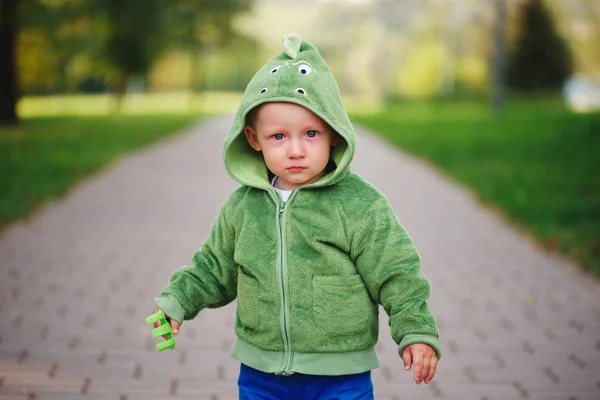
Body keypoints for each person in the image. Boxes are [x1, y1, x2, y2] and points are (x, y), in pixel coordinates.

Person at [152, 33, 441, 399]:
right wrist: (177, 301)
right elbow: (213, 267)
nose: (296, 150)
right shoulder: (243, 207)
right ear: (253, 139)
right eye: (278, 137)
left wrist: (415, 331)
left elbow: (396, 272)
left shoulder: (360, 205)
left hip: (339, 375)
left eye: (310, 133)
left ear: (333, 133)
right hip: (261, 373)